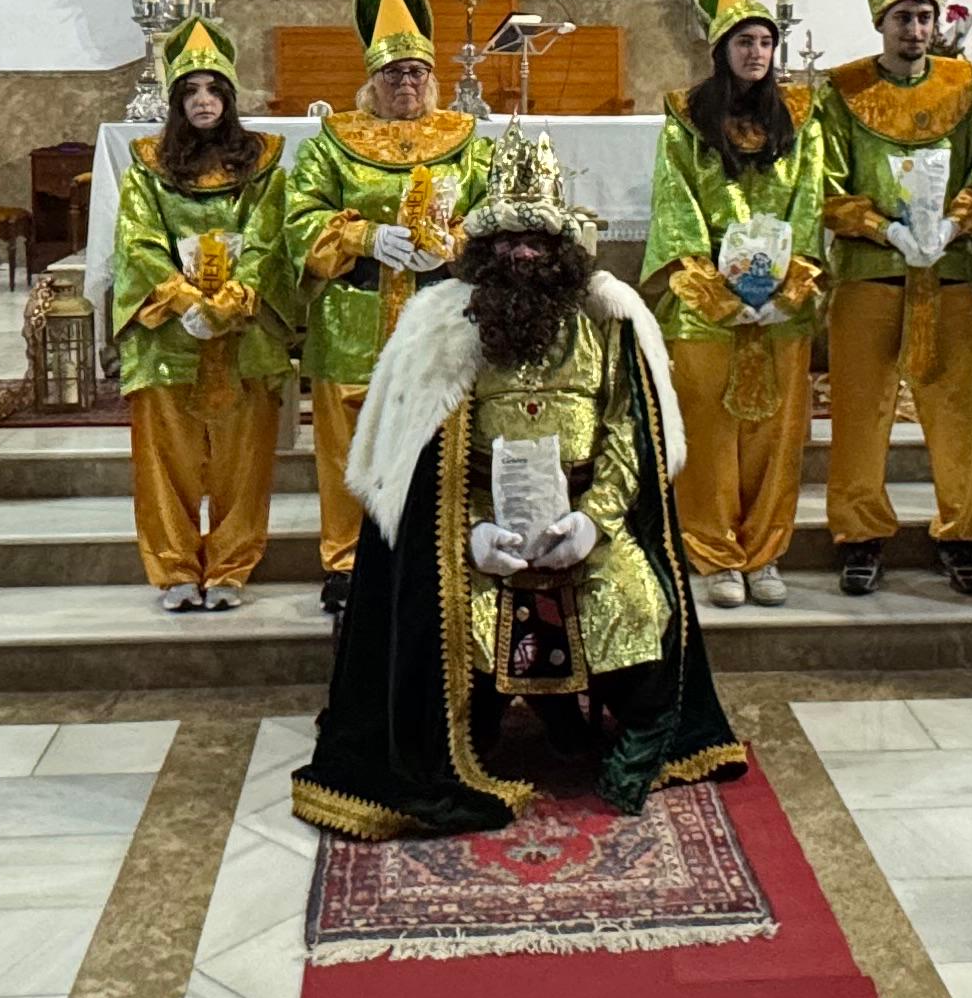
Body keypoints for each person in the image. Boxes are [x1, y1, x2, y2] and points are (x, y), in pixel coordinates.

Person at [296, 130, 742, 837]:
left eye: (536, 239)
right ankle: (476, 729)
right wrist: (472, 533)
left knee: (636, 602)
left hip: (587, 519)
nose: (523, 254)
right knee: (451, 623)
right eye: (507, 240)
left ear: (563, 246)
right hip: (474, 532)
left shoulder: (608, 317)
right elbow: (415, 463)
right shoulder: (439, 324)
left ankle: (621, 729)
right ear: (483, 248)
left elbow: (629, 432)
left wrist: (595, 520)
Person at [279, 0, 493, 617]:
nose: (406, 82)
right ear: (371, 80)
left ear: (432, 79)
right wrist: (365, 238)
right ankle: (347, 562)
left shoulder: (467, 139)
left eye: (416, 72)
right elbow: (299, 217)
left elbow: (492, 212)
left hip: (438, 310)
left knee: (438, 432)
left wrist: (452, 242)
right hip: (356, 309)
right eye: (393, 72)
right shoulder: (331, 141)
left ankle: (433, 551)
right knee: (348, 442)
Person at [814, 0, 972, 599]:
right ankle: (860, 535)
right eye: (903, 18)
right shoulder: (843, 91)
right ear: (880, 22)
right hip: (869, 274)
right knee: (859, 410)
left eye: (925, 17)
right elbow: (826, 186)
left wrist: (954, 223)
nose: (916, 30)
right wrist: (884, 229)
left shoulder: (964, 88)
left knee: (954, 409)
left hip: (947, 274)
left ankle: (961, 534)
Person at [642, 0, 827, 607]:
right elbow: (676, 211)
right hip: (706, 307)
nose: (757, 52)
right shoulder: (684, 122)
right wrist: (716, 292)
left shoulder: (801, 120)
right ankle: (716, 553)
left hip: (781, 307)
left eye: (766, 42)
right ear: (721, 50)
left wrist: (789, 287)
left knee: (776, 437)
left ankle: (765, 552)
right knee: (710, 436)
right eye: (745, 41)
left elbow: (810, 204)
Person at [113, 14, 295, 615]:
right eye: (190, 91)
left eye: (214, 89)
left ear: (230, 98)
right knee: (167, 459)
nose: (203, 101)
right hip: (170, 329)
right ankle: (173, 568)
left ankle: (231, 567)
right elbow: (138, 242)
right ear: (175, 102)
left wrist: (234, 300)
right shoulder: (147, 166)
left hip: (243, 330)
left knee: (244, 460)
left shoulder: (263, 165)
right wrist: (184, 299)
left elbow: (269, 240)